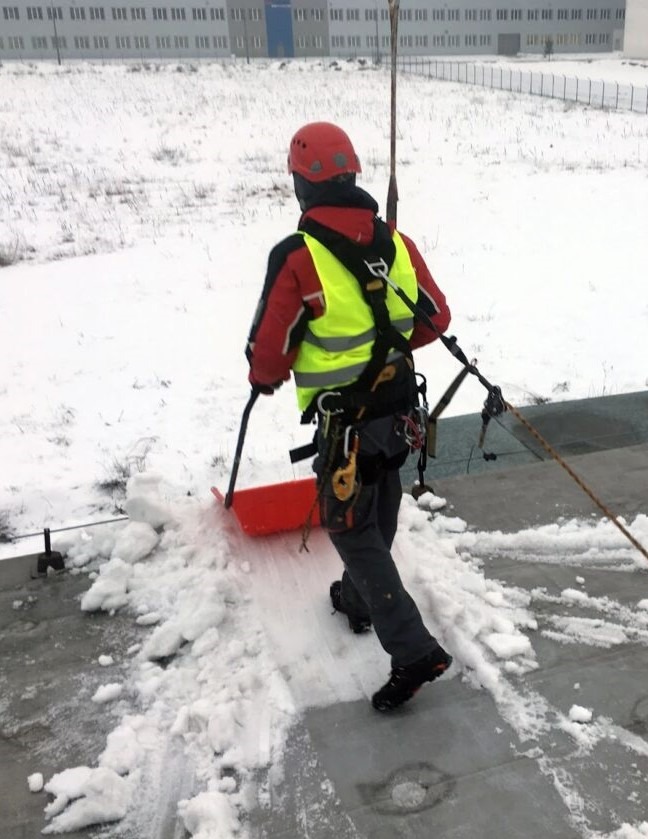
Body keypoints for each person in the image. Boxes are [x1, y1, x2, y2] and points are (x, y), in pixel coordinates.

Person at [245, 122, 453, 712]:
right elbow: (435, 317)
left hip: (347, 425)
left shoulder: (297, 256)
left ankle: (413, 650)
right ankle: (359, 602)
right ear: (352, 175)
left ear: (301, 186)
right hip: (399, 412)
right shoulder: (397, 243)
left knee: (349, 527)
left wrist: (265, 377)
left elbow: (270, 352)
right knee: (379, 498)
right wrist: (384, 346)